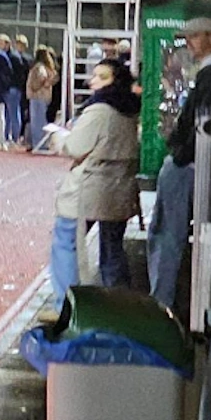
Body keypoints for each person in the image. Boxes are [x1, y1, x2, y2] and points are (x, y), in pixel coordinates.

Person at [148, 17, 211, 313]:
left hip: (194, 165)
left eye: (194, 37)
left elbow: (206, 122)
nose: (189, 43)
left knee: (167, 232)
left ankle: (161, 306)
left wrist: (181, 154)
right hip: (201, 163)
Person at [49, 59, 141, 308]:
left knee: (65, 242)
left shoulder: (98, 109)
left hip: (89, 187)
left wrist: (59, 137)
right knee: (112, 249)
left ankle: (68, 305)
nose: (93, 81)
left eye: (101, 77)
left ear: (114, 81)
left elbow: (76, 146)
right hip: (119, 188)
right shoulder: (130, 109)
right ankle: (121, 306)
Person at [26, 46, 58, 151]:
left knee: (37, 122)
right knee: (40, 120)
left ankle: (38, 143)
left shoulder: (39, 67)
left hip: (37, 96)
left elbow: (41, 77)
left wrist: (34, 87)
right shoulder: (49, 67)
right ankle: (41, 143)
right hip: (44, 96)